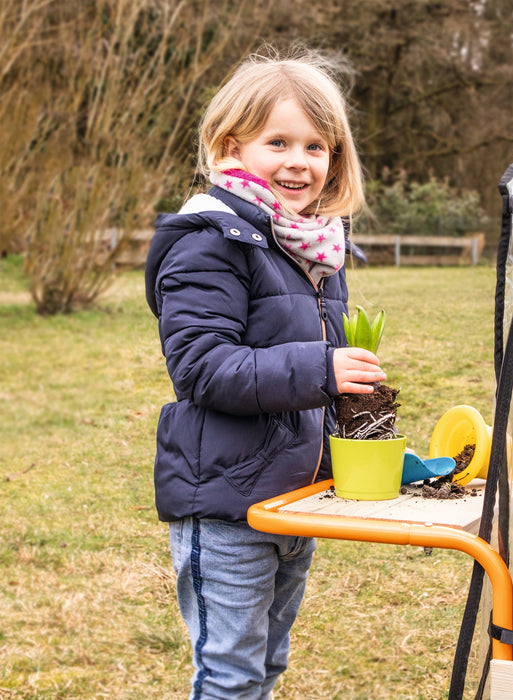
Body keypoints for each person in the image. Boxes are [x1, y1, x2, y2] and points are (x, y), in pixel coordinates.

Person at [144, 49, 385, 699]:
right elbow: (201, 367)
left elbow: (318, 384)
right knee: (230, 676)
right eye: (277, 142)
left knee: (268, 666)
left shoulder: (313, 248)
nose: (298, 161)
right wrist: (322, 368)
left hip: (291, 501)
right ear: (232, 147)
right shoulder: (210, 239)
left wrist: (364, 436)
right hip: (225, 506)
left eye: (316, 146)